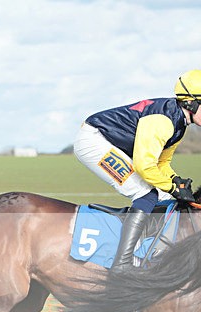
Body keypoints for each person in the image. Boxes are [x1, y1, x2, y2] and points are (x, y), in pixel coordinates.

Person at [74, 70, 201, 274]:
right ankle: (122, 263)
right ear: (191, 103)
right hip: (94, 141)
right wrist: (170, 186)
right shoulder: (164, 122)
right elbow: (145, 166)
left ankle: (147, 251)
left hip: (112, 144)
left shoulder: (179, 125)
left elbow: (162, 162)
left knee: (165, 196)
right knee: (145, 193)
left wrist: (175, 182)